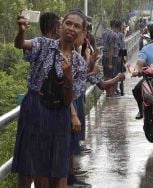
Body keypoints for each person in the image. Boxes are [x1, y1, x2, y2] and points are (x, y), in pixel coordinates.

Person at [12, 10, 87, 187]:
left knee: (58, 171)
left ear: (82, 32)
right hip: (35, 108)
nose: (71, 28)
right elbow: (20, 44)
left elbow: (69, 100)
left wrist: (68, 77)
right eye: (68, 23)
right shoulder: (43, 44)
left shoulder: (79, 63)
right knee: (36, 168)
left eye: (77, 26)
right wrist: (22, 31)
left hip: (60, 114)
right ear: (61, 26)